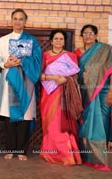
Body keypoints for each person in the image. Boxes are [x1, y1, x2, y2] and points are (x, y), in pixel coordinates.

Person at [75, 24, 112, 171]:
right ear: (82, 36)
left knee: (103, 123)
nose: (88, 36)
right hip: (84, 93)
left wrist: (111, 91)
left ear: (96, 35)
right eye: (85, 33)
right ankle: (86, 155)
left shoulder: (105, 50)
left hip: (103, 92)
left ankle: (100, 155)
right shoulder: (78, 53)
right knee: (84, 123)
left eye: (91, 33)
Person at [0, 9, 42, 161]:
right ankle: (9, 149)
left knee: (25, 117)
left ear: (25, 22)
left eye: (21, 19)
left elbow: (37, 60)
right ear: (11, 20)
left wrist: (23, 61)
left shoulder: (32, 41)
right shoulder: (3, 40)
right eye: (15, 18)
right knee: (9, 117)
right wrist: (6, 64)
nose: (17, 21)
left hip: (26, 83)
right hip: (9, 81)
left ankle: (22, 150)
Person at [39, 29, 82, 165]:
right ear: (51, 41)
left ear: (64, 42)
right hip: (48, 94)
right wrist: (53, 77)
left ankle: (65, 154)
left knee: (61, 123)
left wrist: (65, 80)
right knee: (50, 123)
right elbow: (38, 75)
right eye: (56, 39)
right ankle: (50, 152)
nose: (58, 41)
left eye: (61, 39)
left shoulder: (70, 56)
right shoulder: (44, 55)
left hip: (64, 94)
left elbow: (75, 75)